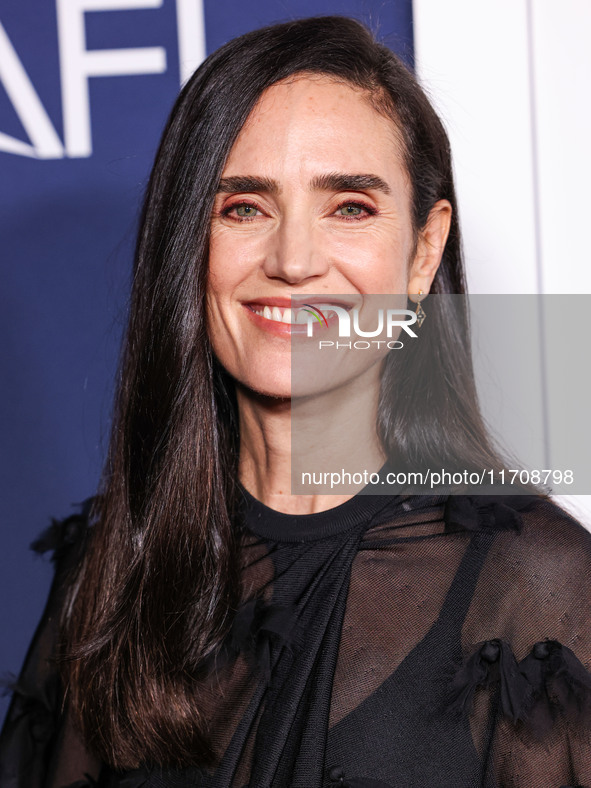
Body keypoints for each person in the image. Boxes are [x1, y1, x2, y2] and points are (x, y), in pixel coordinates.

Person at [1, 14, 591, 788]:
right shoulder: (111, 569)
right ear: (189, 243)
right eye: (244, 206)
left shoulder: (535, 588)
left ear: (422, 251)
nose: (292, 260)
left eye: (348, 205)